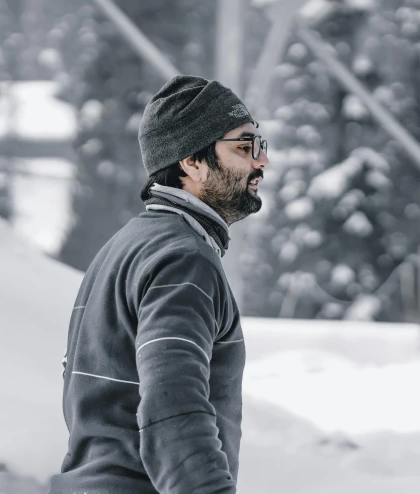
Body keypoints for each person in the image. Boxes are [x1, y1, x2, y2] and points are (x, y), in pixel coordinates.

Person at [49, 75, 270, 494]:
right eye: (245, 146)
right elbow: (173, 408)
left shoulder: (122, 249)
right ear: (192, 162)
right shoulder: (183, 262)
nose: (261, 162)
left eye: (261, 146)